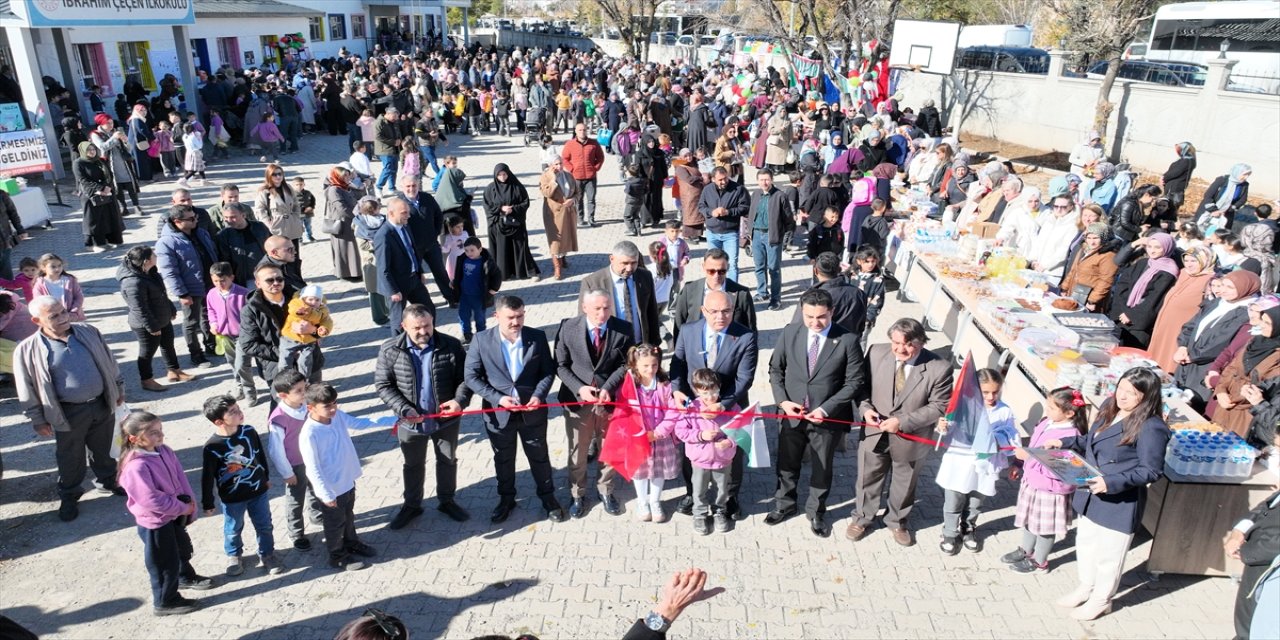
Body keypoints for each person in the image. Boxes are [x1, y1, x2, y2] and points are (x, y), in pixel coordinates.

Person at [1045, 368, 1171, 621]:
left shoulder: (1151, 427)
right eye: (1120, 388)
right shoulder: (1108, 406)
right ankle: (1085, 588)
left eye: (1131, 393)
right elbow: (1092, 443)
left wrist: (1111, 482)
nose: (1122, 396)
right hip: (1091, 493)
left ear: (1147, 397)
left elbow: (1151, 471)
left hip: (1119, 500)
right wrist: (1066, 443)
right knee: (1086, 545)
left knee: (1109, 557)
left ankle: (1102, 599)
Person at [14, 296, 127, 521]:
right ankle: (70, 494)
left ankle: (108, 480)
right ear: (37, 320)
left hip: (101, 402)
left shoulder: (88, 331)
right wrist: (37, 418)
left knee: (103, 448)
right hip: (67, 413)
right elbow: (25, 388)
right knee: (70, 456)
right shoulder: (27, 350)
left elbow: (109, 361)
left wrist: (118, 389)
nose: (63, 317)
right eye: (54, 315)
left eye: (63, 311)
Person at [767, 288, 866, 538]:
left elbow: (854, 382)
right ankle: (785, 505)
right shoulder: (791, 332)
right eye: (809, 316)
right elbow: (776, 370)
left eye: (821, 317)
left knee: (822, 468)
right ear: (802, 312)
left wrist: (825, 408)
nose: (815, 322)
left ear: (831, 312)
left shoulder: (848, 340)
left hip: (826, 419)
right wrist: (783, 402)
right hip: (792, 414)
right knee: (787, 463)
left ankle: (816, 512)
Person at [850, 318, 954, 546]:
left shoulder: (940, 367)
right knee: (868, 478)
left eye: (908, 345)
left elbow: (939, 405)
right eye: (895, 343)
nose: (900, 349)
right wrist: (865, 409)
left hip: (910, 438)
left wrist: (902, 421)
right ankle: (862, 517)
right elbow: (861, 387)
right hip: (874, 432)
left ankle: (897, 520)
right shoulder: (876, 353)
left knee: (904, 483)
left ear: (922, 343)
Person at [463, 295, 565, 524]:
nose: (516, 322)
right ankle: (506, 499)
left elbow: (547, 372)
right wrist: (497, 398)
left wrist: (539, 395)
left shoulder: (537, 337)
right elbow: (471, 377)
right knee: (504, 459)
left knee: (539, 457)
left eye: (520, 316)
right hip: (498, 416)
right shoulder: (480, 340)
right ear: (496, 316)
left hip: (533, 412)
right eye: (510, 317)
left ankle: (548, 498)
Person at [375, 304, 474, 530]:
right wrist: (403, 409)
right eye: (416, 328)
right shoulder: (390, 349)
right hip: (409, 424)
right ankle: (412, 505)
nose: (423, 332)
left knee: (447, 460)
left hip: (446, 421)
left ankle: (447, 501)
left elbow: (465, 379)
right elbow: (383, 385)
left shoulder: (451, 345)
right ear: (403, 326)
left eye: (427, 326)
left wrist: (459, 401)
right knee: (413, 464)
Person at [669, 290, 758, 519]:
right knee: (693, 449)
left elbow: (744, 378)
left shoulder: (745, 336)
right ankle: (693, 493)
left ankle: (730, 498)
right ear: (703, 311)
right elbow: (678, 364)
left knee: (731, 452)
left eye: (726, 311)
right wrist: (677, 390)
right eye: (714, 311)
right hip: (695, 406)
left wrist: (724, 404)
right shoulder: (688, 331)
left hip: (728, 404)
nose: (721, 316)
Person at [116, 411, 214, 616]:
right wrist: (181, 508)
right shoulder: (136, 466)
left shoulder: (164, 451)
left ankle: (184, 576)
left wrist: (190, 504)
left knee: (180, 549)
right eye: (152, 433)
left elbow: (180, 477)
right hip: (156, 522)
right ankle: (165, 601)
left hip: (174, 513)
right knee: (163, 563)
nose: (160, 436)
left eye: (160, 430)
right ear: (134, 439)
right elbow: (150, 499)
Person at [555, 290, 636, 518]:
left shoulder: (623, 328)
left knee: (608, 449)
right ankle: (577, 493)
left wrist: (608, 387)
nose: (603, 313)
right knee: (578, 452)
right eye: (597, 309)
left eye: (606, 308)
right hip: (577, 401)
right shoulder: (568, 327)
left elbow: (626, 364)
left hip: (609, 402)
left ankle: (606, 490)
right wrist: (580, 389)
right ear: (584, 308)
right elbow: (561, 365)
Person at [301, 382, 388, 571]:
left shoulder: (337, 416)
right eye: (327, 406)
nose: (333, 408)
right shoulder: (309, 433)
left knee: (348, 516)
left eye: (334, 403)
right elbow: (312, 468)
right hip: (331, 488)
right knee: (334, 523)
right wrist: (325, 494)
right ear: (311, 407)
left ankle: (351, 542)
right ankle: (337, 555)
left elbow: (360, 423)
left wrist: (393, 420)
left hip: (347, 480)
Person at [1003, 386, 1090, 573]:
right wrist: (1019, 463)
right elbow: (1032, 446)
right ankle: (1026, 550)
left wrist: (1029, 458)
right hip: (1033, 483)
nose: (1047, 410)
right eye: (1047, 405)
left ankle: (1040, 561)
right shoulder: (1046, 422)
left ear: (1069, 413)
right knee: (1029, 520)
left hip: (1051, 490)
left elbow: (1064, 469)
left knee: (1045, 527)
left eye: (1051, 408)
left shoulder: (1071, 436)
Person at [199, 395, 285, 577]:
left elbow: (259, 456)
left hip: (258, 491)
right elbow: (207, 477)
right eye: (233, 412)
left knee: (265, 525)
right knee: (233, 529)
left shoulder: (249, 431)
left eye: (238, 408)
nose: (240, 413)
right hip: (232, 499)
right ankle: (234, 555)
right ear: (219, 421)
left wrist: (265, 477)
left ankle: (267, 554)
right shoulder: (212, 447)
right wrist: (208, 503)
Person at [935, 369, 1017, 555]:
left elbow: (1012, 435)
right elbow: (947, 432)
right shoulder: (963, 407)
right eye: (985, 392)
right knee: (954, 500)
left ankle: (969, 527)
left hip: (985, 466)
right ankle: (949, 532)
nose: (990, 396)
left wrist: (997, 439)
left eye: (995, 392)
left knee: (976, 501)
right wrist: (942, 427)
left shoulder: (1004, 410)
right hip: (960, 463)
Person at [1173, 271, 1261, 407]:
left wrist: (1194, 356)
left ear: (1245, 289)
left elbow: (1221, 341)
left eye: (1230, 287)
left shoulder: (1246, 312)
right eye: (1222, 285)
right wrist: (1183, 346)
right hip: (1187, 359)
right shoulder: (1217, 303)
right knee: (1175, 397)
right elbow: (1192, 324)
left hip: (1206, 365)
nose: (1223, 290)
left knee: (1193, 405)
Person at [673, 368, 739, 535]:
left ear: (720, 387)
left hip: (723, 459)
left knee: (722, 488)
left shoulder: (731, 407)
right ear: (696, 391)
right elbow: (681, 431)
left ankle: (719, 511)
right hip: (699, 459)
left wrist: (729, 441)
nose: (711, 397)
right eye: (705, 394)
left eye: (715, 392)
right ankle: (700, 514)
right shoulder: (690, 407)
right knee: (699, 488)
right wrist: (701, 435)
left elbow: (741, 429)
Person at [117, 246, 190, 393]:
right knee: (147, 352)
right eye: (154, 255)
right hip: (146, 324)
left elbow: (161, 293)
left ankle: (174, 371)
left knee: (168, 345)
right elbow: (139, 308)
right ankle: (147, 380)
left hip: (161, 318)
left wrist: (170, 308)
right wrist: (152, 326)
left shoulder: (150, 272)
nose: (156, 256)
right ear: (146, 261)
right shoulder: (132, 282)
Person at [264, 369, 322, 552]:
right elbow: (275, 450)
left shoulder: (307, 405)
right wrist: (287, 472)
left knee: (315, 488)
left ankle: (316, 514)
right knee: (295, 500)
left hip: (312, 458)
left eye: (305, 387)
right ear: (283, 395)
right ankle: (296, 533)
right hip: (294, 465)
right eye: (299, 390)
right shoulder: (279, 418)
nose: (304, 393)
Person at [156, 206, 218, 369]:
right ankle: (196, 355)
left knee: (208, 316)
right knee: (191, 321)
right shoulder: (166, 242)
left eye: (195, 217)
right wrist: (182, 293)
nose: (195, 221)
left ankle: (211, 346)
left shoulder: (200, 232)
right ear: (177, 222)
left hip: (210, 283)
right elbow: (169, 272)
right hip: (190, 288)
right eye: (191, 219)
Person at [624, 343, 681, 523]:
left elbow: (673, 412)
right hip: (639, 438)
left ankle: (655, 501)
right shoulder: (630, 386)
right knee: (640, 470)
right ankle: (642, 502)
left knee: (659, 471)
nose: (650, 369)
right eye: (645, 366)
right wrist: (639, 433)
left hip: (660, 437)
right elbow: (624, 411)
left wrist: (658, 433)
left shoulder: (665, 385)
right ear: (635, 366)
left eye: (654, 365)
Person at [1224, 464, 1280, 640]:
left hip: (1268, 567)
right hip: (1257, 563)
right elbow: (1264, 508)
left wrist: (1246, 551)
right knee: (1244, 621)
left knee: (1253, 625)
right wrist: (1238, 532)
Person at [1211, 305, 1280, 438]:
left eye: (1267, 323)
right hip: (1224, 406)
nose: (1262, 325)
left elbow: (1266, 387)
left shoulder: (1277, 355)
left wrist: (1232, 399)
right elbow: (1232, 367)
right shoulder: (1255, 341)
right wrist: (1220, 390)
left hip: (1246, 413)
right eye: (1262, 320)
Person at [1148, 246, 1218, 373]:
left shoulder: (1211, 281)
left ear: (1205, 261)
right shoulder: (1184, 273)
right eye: (1186, 260)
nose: (1189, 264)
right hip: (1165, 324)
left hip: (1182, 328)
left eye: (1193, 261)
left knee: (1170, 357)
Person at [579, 241, 661, 347]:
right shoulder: (592, 282)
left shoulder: (645, 276)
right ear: (612, 259)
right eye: (625, 263)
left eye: (634, 263)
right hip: (610, 348)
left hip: (639, 346)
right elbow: (583, 319)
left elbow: (652, 311)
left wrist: (655, 343)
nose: (629, 268)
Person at [669, 248, 757, 342]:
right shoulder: (689, 290)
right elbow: (679, 325)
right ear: (703, 267)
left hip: (730, 350)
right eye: (711, 271)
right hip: (696, 348)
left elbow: (751, 330)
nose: (716, 276)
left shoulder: (741, 294)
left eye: (721, 271)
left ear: (728, 267)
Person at [1109, 233, 1180, 349]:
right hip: (1122, 315)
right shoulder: (1143, 263)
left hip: (1138, 323)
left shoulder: (1168, 272)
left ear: (1167, 248)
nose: (1152, 251)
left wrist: (1131, 314)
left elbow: (1155, 299)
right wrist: (1123, 310)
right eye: (1150, 246)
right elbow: (1123, 284)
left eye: (1157, 247)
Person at [374, 197, 435, 330]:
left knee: (428, 310)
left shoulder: (405, 226)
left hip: (414, 279)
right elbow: (383, 268)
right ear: (391, 213)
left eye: (408, 212)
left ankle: (429, 341)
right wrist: (393, 290)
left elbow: (412, 251)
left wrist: (420, 272)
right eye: (404, 213)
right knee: (398, 322)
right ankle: (399, 348)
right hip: (397, 285)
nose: (408, 215)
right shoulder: (384, 235)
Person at [484, 163, 540, 281]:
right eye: (499, 175)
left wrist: (513, 209)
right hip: (499, 225)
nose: (502, 177)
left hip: (515, 223)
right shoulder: (490, 189)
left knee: (520, 247)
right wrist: (501, 209)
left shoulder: (517, 187)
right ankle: (504, 273)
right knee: (502, 249)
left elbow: (525, 202)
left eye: (504, 174)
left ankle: (525, 271)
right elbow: (487, 206)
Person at [748, 169, 794, 311]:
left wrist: (783, 236)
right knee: (759, 267)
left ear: (772, 179)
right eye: (761, 180)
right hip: (756, 235)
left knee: (774, 269)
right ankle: (762, 292)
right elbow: (750, 214)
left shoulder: (780, 196)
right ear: (757, 181)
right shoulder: (755, 194)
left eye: (767, 179)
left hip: (772, 236)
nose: (764, 182)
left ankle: (776, 298)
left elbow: (788, 219)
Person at [793, 252, 868, 337]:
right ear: (839, 269)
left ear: (816, 271)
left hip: (820, 346)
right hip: (849, 345)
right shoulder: (858, 294)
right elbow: (861, 325)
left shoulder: (810, 297)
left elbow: (796, 328)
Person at [697, 167, 750, 282]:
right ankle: (715, 288)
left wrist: (728, 212)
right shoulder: (707, 190)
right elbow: (701, 206)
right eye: (720, 179)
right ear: (713, 179)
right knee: (713, 263)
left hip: (730, 233)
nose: (724, 181)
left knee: (731, 264)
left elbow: (745, 208)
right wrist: (711, 212)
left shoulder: (738, 189)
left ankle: (731, 291)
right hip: (712, 234)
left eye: (725, 178)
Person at [71, 142, 124, 252]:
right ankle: (96, 244)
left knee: (110, 216)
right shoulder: (78, 163)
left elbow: (109, 175)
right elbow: (83, 180)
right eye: (88, 150)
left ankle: (112, 240)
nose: (92, 151)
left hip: (107, 192)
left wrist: (107, 187)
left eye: (93, 149)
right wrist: (99, 189)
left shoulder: (101, 161)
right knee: (94, 219)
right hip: (91, 194)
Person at [1058, 223, 1120, 312]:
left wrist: (1092, 301)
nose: (1092, 241)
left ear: (1103, 238)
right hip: (1074, 293)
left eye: (1095, 238)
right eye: (1089, 238)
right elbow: (1073, 270)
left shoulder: (1108, 255)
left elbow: (1106, 281)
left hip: (1089, 299)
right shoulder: (1084, 249)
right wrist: (1065, 288)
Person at [280, 284, 332, 382]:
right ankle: (283, 376)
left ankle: (304, 379)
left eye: (317, 300)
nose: (313, 302)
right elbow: (293, 309)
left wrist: (322, 329)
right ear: (304, 299)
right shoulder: (298, 304)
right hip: (291, 338)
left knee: (305, 361)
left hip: (308, 341)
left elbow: (327, 321)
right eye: (310, 299)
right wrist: (299, 312)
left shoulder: (322, 310)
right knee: (285, 358)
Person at [540, 157, 580, 280]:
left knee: (567, 236)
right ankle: (557, 267)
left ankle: (563, 258)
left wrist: (572, 200)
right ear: (551, 165)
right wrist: (553, 179)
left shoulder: (568, 175)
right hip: (554, 213)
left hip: (568, 211)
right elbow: (547, 193)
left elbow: (577, 192)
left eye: (560, 163)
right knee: (556, 239)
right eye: (556, 164)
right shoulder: (546, 176)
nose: (559, 166)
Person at [254, 165, 305, 260]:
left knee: (294, 253)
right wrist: (269, 224)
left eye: (280, 174)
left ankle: (295, 274)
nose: (278, 177)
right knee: (280, 254)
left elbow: (296, 204)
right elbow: (259, 210)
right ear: (269, 176)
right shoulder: (264, 191)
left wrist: (296, 217)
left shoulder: (288, 187)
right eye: (274, 174)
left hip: (291, 225)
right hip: (277, 226)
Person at [353, 197, 390, 327]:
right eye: (378, 207)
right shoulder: (360, 225)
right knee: (374, 290)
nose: (380, 209)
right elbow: (363, 245)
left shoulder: (383, 220)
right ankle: (379, 318)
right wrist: (378, 244)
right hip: (371, 261)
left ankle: (389, 312)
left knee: (388, 286)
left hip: (385, 258)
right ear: (372, 210)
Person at [215, 203, 270, 289]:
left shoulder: (260, 227)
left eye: (233, 217)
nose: (229, 220)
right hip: (241, 280)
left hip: (265, 274)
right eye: (226, 217)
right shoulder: (223, 236)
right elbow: (224, 259)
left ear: (243, 215)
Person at [562, 121, 605, 227]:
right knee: (578, 199)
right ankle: (580, 219)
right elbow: (565, 159)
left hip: (591, 177)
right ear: (576, 132)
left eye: (584, 130)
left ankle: (591, 218)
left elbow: (600, 157)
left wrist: (596, 168)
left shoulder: (594, 143)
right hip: (577, 177)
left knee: (591, 199)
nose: (582, 132)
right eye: (580, 130)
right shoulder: (570, 144)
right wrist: (572, 169)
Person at [323, 165, 362, 281]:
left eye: (347, 174)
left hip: (350, 221)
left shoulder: (346, 187)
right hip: (342, 222)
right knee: (343, 248)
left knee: (351, 247)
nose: (347, 177)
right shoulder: (334, 189)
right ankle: (345, 273)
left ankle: (354, 272)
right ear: (337, 176)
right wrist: (356, 216)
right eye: (344, 175)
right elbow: (341, 208)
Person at [1196, 163, 1252, 230]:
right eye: (1244, 174)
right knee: (1198, 230)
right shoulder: (1222, 180)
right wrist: (1214, 210)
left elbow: (1242, 200)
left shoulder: (1244, 185)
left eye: (1248, 175)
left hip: (1225, 214)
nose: (1246, 177)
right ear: (1237, 172)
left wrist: (1231, 208)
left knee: (1218, 234)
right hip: (1208, 210)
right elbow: (1208, 196)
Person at [32, 253, 86, 322]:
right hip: (53, 319)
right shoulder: (40, 284)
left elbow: (79, 297)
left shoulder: (69, 280)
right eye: (53, 267)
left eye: (59, 265)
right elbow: (39, 302)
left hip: (72, 317)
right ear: (43, 268)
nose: (57, 269)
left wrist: (74, 312)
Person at [672, 149, 706, 242]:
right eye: (686, 156)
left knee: (698, 214)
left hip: (697, 193)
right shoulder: (680, 167)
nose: (688, 158)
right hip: (689, 194)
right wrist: (700, 178)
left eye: (690, 155)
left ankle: (698, 234)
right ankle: (688, 236)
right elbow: (689, 179)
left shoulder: (693, 163)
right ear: (681, 157)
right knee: (690, 215)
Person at [1161, 142, 1196, 215]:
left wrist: (1164, 178)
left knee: (1169, 209)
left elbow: (1175, 172)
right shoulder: (1186, 160)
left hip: (1174, 189)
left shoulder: (1186, 161)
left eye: (1179, 149)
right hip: (1173, 187)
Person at [622, 164, 649, 237]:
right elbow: (646, 190)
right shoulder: (643, 180)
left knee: (627, 216)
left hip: (631, 201)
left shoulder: (629, 182)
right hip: (640, 200)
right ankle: (638, 230)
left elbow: (627, 191)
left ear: (630, 173)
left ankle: (632, 229)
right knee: (636, 215)